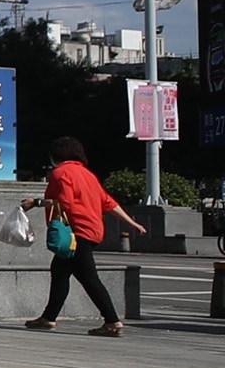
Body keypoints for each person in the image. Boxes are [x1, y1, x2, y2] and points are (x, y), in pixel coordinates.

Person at [24, 137, 145, 336]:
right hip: (92, 230)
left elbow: (64, 203)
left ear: (56, 155)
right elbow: (108, 202)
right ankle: (48, 317)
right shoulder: (87, 175)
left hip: (76, 231)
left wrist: (35, 203)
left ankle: (112, 321)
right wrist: (130, 222)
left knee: (88, 277)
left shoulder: (60, 173)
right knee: (60, 270)